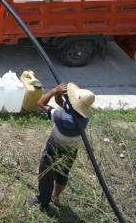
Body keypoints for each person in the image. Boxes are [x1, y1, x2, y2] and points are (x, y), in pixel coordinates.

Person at [27, 83, 95, 212]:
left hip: (54, 148)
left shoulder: (64, 118)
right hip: (71, 150)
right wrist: (59, 94)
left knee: (46, 175)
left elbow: (41, 103)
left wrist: (53, 91)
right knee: (63, 174)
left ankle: (43, 202)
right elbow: (60, 103)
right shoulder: (84, 117)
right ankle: (56, 196)